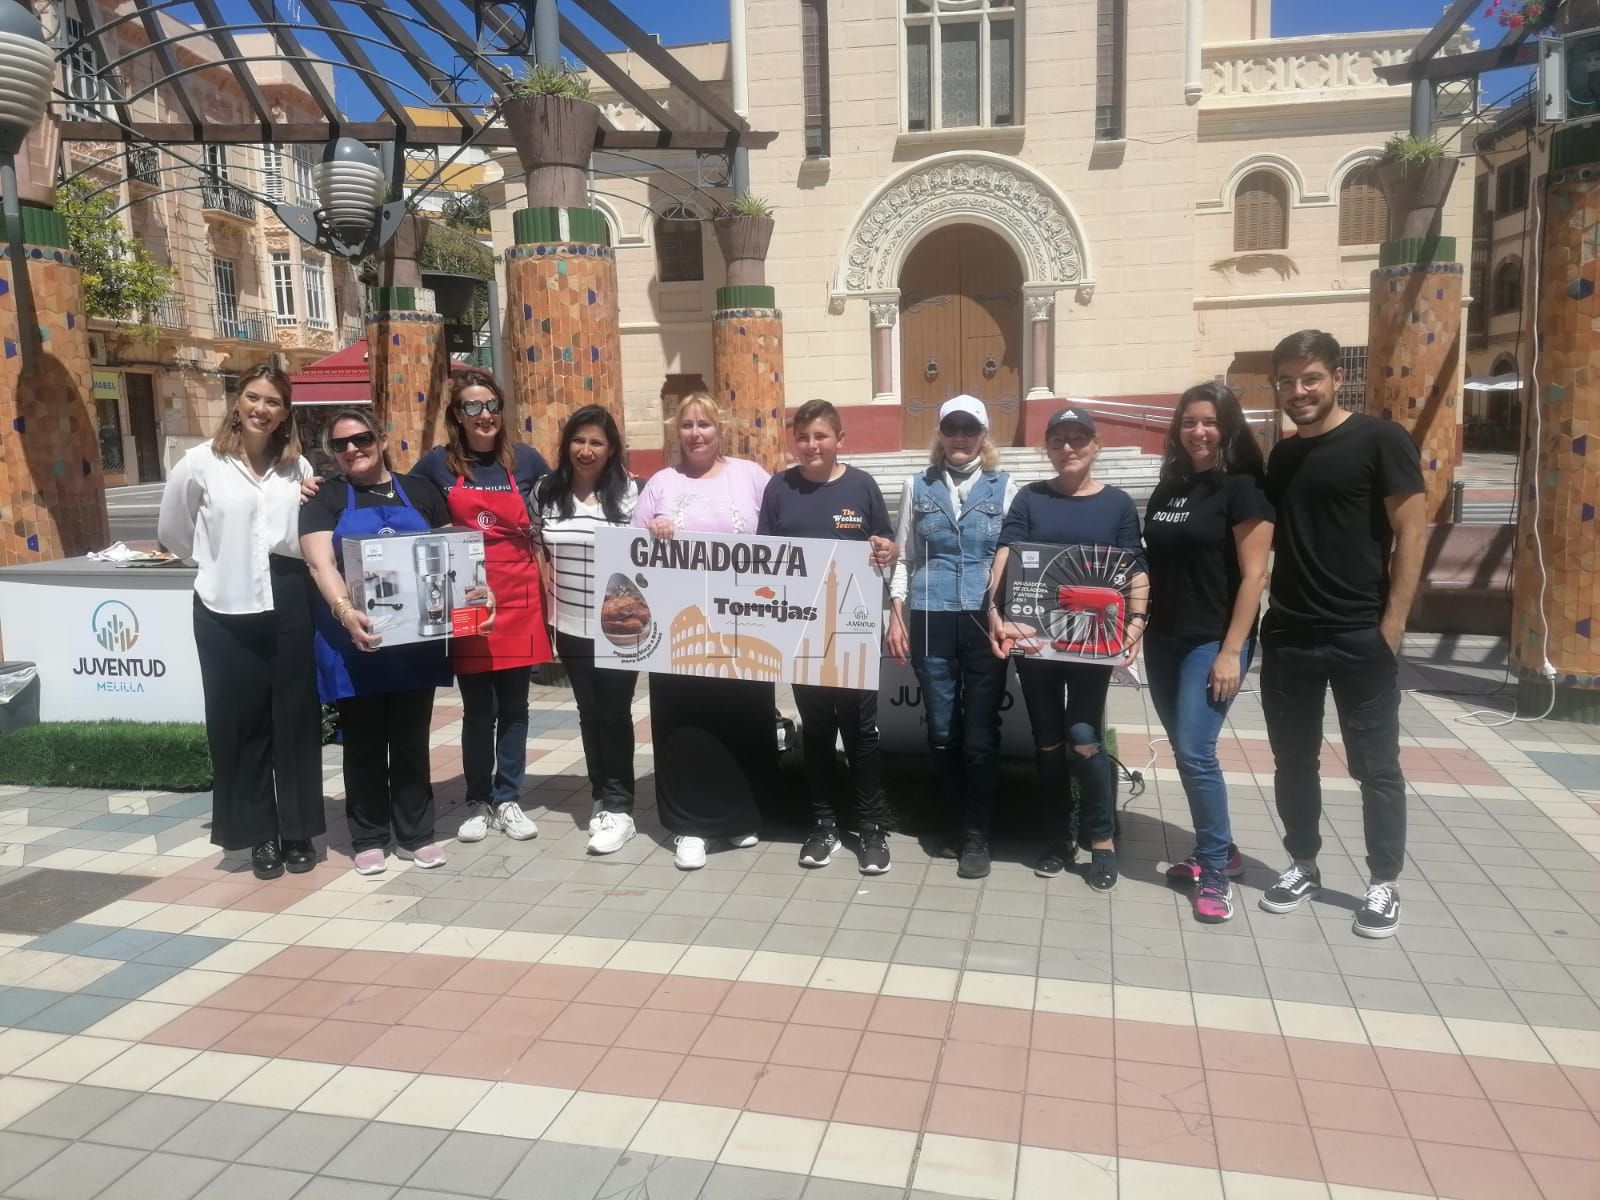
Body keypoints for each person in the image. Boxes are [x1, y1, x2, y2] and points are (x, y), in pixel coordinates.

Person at [1257, 330, 1426, 939]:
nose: (1298, 392)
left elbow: (1412, 531)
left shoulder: (1381, 440)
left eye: (1310, 379)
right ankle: (1303, 863)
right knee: (1292, 761)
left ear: (1336, 378)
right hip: (1291, 635)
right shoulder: (1283, 455)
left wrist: (1393, 626)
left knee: (1376, 766)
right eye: (1286, 381)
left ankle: (1384, 883)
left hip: (1360, 636)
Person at [157, 363, 323, 880]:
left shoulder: (298, 468)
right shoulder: (200, 463)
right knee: (239, 724)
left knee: (294, 720)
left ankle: (297, 830)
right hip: (224, 607)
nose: (261, 409)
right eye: (253, 397)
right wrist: (215, 565)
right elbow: (175, 531)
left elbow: (307, 536)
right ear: (237, 402)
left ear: (285, 412)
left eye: (272, 401)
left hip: (289, 599)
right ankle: (258, 836)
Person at [300, 408, 473, 876]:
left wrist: (477, 592)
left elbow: (448, 558)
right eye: (340, 445)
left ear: (381, 437)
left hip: (413, 644)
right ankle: (369, 836)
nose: (353, 449)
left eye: (361, 438)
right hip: (356, 642)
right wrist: (344, 612)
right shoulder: (326, 498)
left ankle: (417, 833)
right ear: (331, 454)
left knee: (412, 740)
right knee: (363, 744)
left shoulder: (420, 491)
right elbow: (320, 564)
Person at [989, 406, 1149, 892]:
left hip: (1091, 642)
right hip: (1035, 639)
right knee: (1047, 740)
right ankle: (1058, 839)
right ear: (1048, 447)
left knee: (1082, 735)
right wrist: (993, 612)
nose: (1069, 447)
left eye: (1079, 438)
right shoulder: (1030, 500)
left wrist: (1137, 624)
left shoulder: (1117, 504)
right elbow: (1005, 556)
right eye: (1059, 439)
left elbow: (1134, 566)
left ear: (1095, 444)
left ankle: (1100, 839)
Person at [1144, 383, 1274, 923]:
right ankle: (1217, 848)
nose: (1199, 431)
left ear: (1229, 427)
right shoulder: (1168, 488)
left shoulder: (1243, 489)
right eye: (1190, 422)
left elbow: (1254, 575)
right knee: (1183, 749)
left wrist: (1231, 651)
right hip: (1163, 639)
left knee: (1198, 752)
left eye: (1211, 422)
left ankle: (1216, 869)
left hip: (1210, 642)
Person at [634, 392, 774, 870]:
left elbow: (779, 542)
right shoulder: (660, 484)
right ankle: (690, 826)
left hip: (744, 627)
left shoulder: (752, 476)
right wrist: (652, 529)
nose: (696, 433)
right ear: (678, 432)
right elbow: (632, 553)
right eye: (688, 425)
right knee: (686, 722)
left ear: (721, 430)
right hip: (679, 632)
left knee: (742, 717)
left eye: (705, 425)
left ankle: (739, 815)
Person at [757, 399, 898, 874]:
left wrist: (886, 550)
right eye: (803, 436)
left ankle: (872, 828)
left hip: (854, 628)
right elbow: (762, 558)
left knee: (861, 732)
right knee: (817, 731)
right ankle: (824, 826)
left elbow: (885, 545)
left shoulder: (862, 485)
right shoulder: (779, 488)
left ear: (840, 440)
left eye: (820, 436)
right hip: (800, 629)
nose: (811, 445)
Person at [412, 369, 551, 844]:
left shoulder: (527, 460)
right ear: (457, 415)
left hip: (520, 592)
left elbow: (565, 502)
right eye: (473, 407)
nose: (485, 414)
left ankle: (508, 796)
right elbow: (402, 503)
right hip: (467, 594)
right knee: (478, 707)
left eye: (492, 404)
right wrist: (320, 489)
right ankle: (477, 799)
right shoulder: (437, 465)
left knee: (515, 705)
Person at [886, 395, 1017, 880]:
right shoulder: (915, 486)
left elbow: (1013, 557)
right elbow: (904, 557)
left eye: (970, 429)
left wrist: (1005, 611)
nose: (960, 437)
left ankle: (977, 833)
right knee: (942, 730)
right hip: (929, 616)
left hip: (985, 620)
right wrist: (896, 615)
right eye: (952, 428)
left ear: (984, 436)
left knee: (980, 733)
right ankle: (953, 818)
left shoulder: (1006, 489)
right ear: (940, 434)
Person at [535, 405, 641, 855]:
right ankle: (602, 791)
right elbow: (537, 549)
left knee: (614, 711)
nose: (586, 450)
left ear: (611, 448)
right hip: (571, 623)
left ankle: (619, 803)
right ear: (566, 445)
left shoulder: (632, 493)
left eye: (597, 442)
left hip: (620, 625)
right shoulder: (546, 491)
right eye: (579, 440)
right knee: (588, 709)